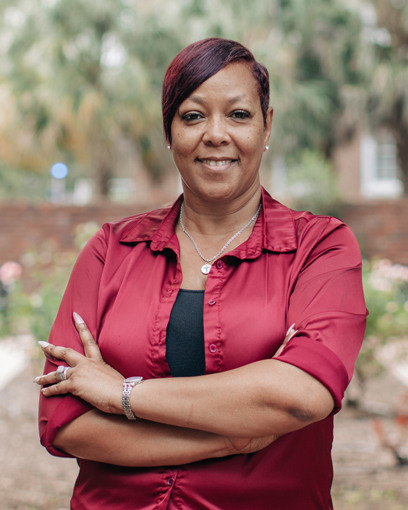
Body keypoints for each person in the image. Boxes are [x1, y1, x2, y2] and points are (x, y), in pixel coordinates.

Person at [35, 37, 367, 510]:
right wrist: (230, 438)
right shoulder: (113, 249)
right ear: (169, 131)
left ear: (266, 124)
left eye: (238, 114)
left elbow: (300, 395)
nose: (215, 134)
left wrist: (120, 393)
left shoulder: (320, 247)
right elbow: (63, 421)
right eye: (192, 116)